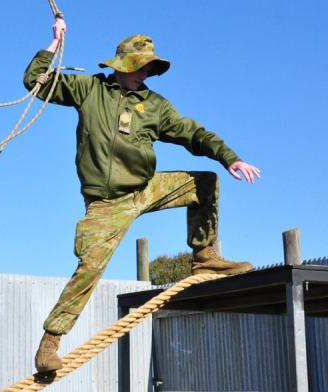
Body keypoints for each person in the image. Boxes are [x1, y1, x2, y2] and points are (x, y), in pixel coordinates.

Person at [25, 18, 262, 372]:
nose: (144, 75)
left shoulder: (154, 106)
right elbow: (35, 83)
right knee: (89, 268)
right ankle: (50, 344)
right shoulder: (89, 90)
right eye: (139, 68)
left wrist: (230, 157)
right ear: (121, 66)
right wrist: (53, 44)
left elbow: (192, 133)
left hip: (144, 189)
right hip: (107, 204)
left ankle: (204, 254)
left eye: (149, 68)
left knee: (205, 182)